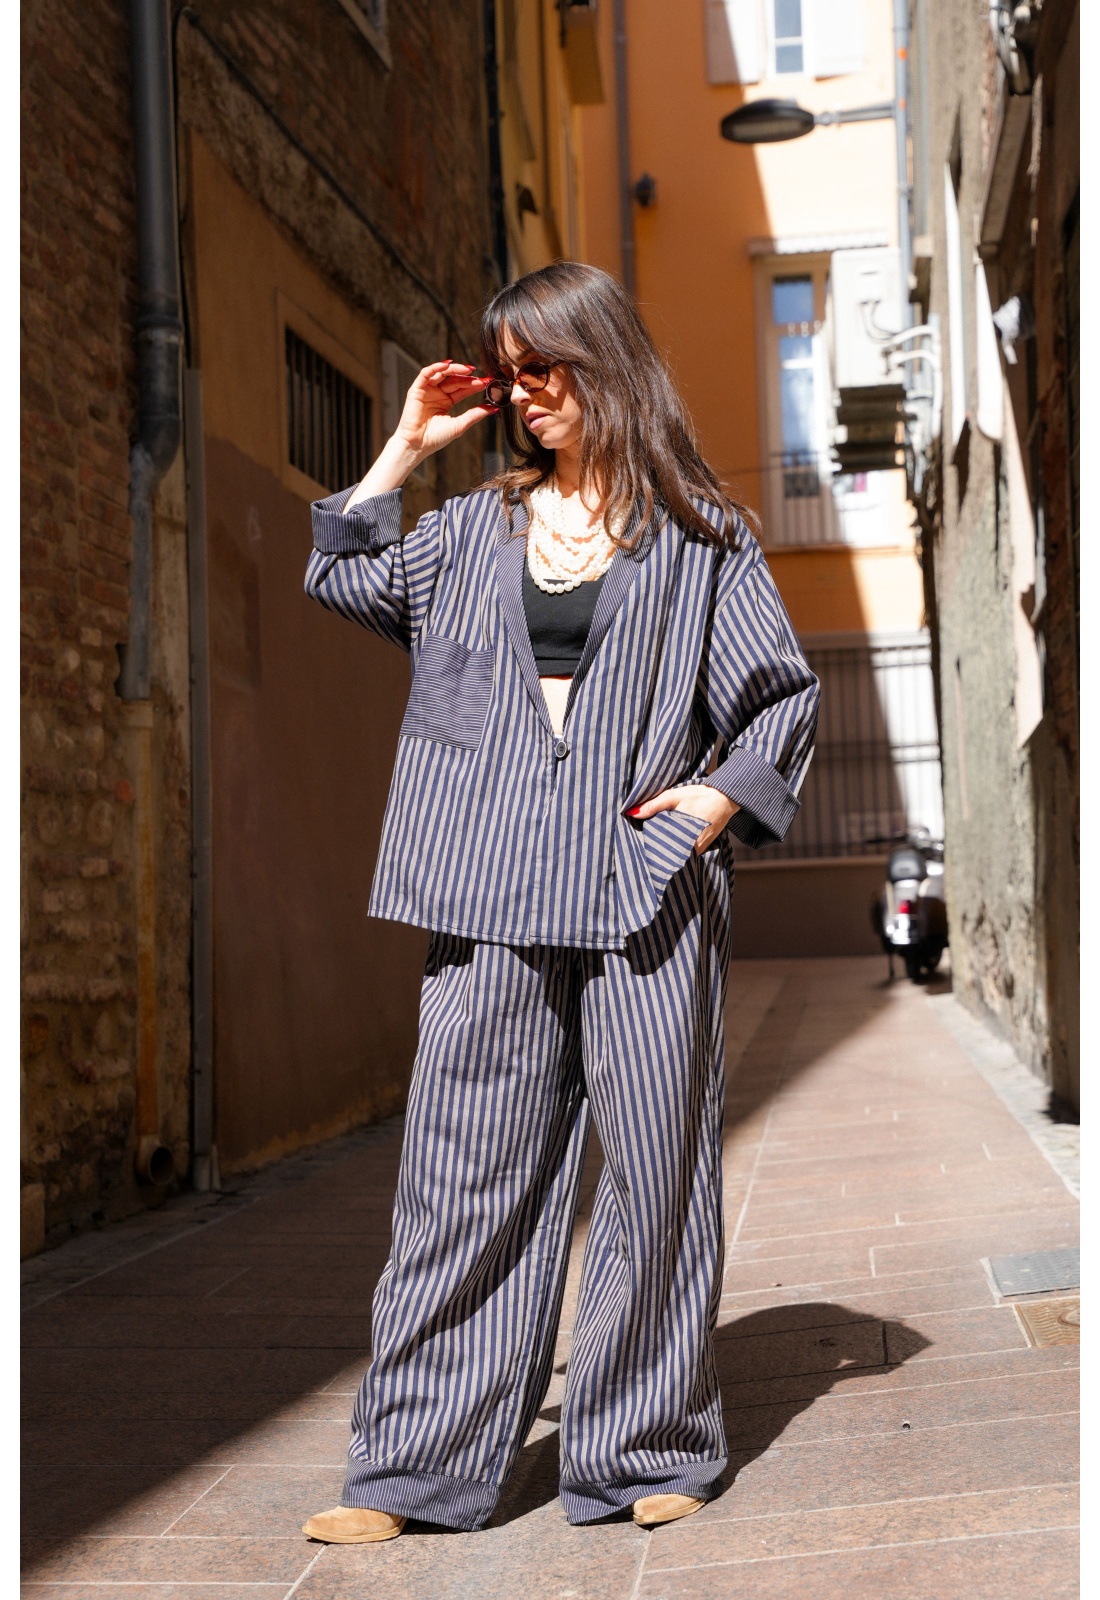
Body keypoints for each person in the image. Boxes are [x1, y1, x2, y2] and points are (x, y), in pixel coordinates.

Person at [300, 262, 818, 1544]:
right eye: (510, 373)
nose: (526, 394)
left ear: (606, 363)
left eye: (546, 369)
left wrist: (711, 805)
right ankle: (411, 1465)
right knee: (459, 1178)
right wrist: (405, 445)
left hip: (645, 896)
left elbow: (778, 696)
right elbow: (346, 578)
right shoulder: (470, 529)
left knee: (654, 1172)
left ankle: (645, 1443)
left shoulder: (700, 533)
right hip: (486, 891)